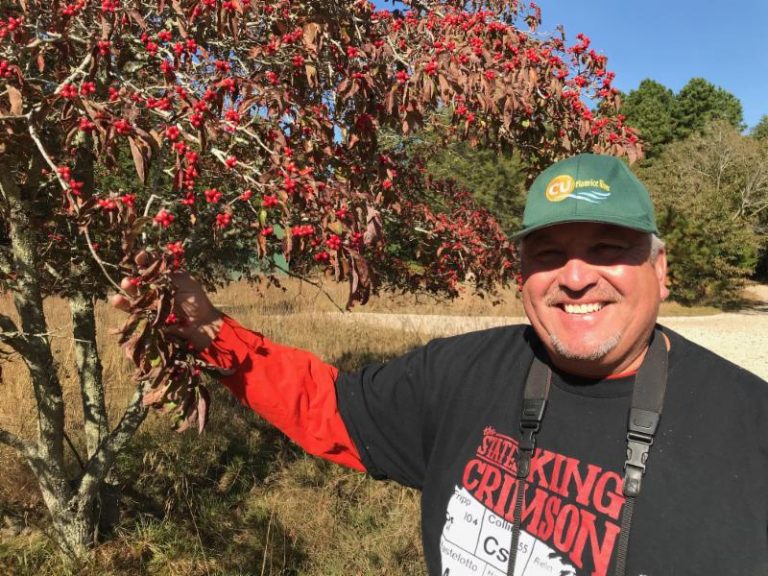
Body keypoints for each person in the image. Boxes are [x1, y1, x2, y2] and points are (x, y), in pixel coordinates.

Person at [113, 154, 768, 576]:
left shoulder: (750, 429)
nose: (574, 277)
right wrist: (207, 329)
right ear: (521, 274)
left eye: (607, 248)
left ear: (660, 268)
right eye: (547, 254)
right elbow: (327, 406)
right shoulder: (465, 371)